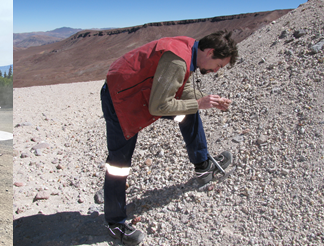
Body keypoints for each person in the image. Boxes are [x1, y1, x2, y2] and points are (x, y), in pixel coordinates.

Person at [101, 30, 238, 244]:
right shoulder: (178, 60)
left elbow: (182, 92)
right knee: (119, 163)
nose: (216, 70)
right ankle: (115, 222)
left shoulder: (191, 50)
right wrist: (200, 103)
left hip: (144, 92)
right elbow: (159, 106)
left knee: (189, 112)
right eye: (219, 65)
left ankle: (203, 166)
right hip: (121, 97)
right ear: (210, 51)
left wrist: (206, 101)